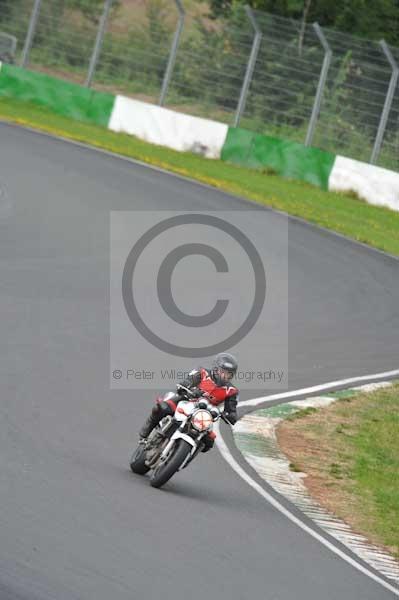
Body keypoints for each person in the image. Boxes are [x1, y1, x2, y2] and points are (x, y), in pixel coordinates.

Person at [139, 352, 239, 453]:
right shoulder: (202, 372)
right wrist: (186, 386)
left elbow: (231, 408)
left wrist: (231, 415)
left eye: (228, 374)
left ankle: (185, 456)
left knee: (208, 442)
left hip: (204, 415)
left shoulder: (231, 390)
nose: (224, 376)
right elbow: (187, 381)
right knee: (162, 408)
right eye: (223, 372)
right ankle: (144, 435)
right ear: (215, 368)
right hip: (186, 401)